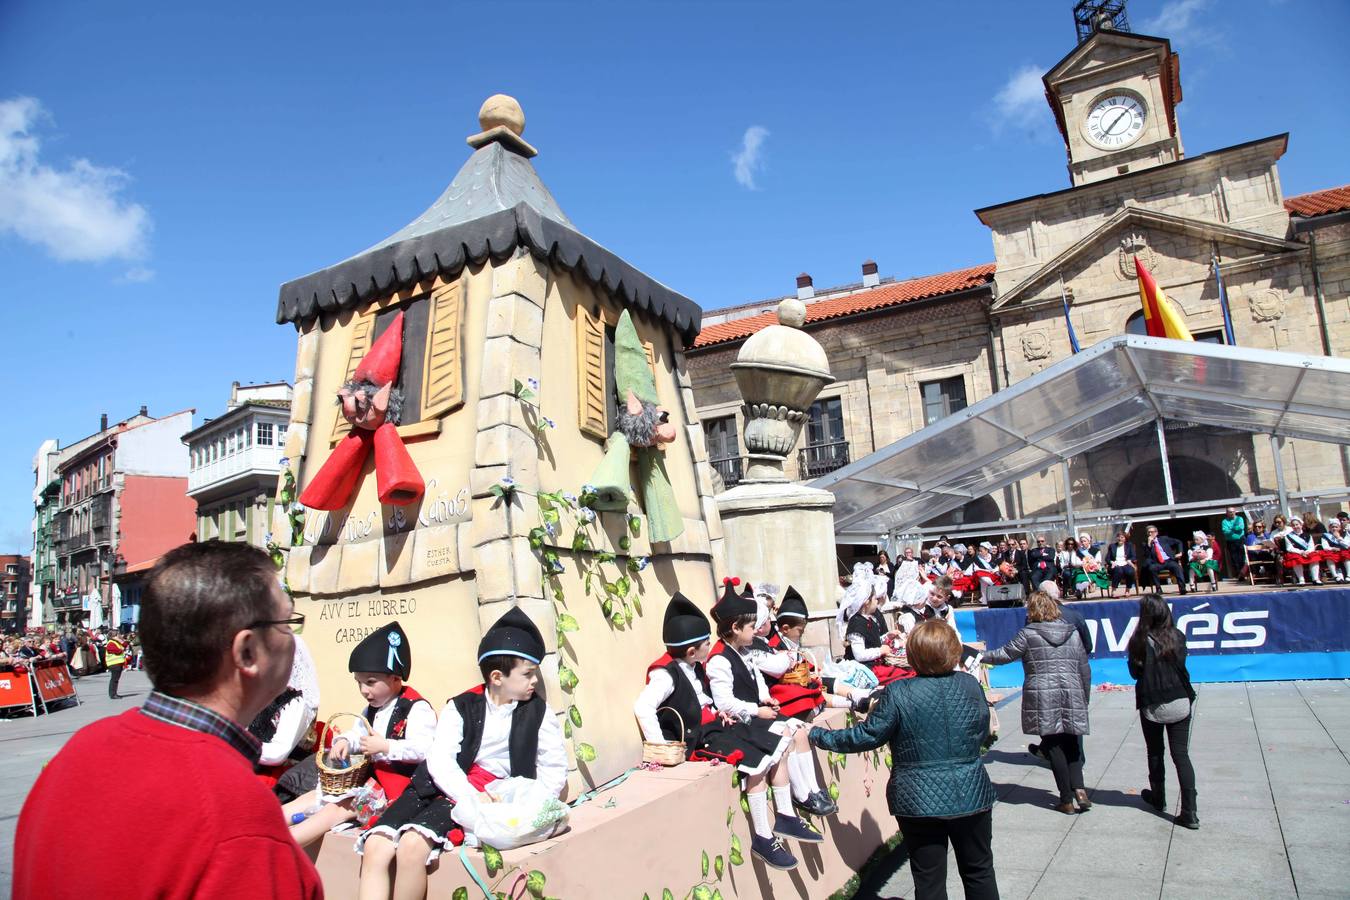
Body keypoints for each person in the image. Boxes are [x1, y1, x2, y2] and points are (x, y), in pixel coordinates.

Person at [15, 541, 322, 899]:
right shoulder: (235, 814)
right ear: (248, 651)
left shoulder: (76, 751)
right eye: (287, 623)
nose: (293, 639)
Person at [354, 608, 567, 898]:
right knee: (376, 845)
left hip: (493, 791)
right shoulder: (462, 706)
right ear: (497, 677)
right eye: (528, 674)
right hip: (442, 783)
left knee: (412, 846)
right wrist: (468, 794)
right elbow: (441, 759)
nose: (534, 682)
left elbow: (552, 767)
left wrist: (529, 807)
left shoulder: (538, 713)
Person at [810, 621, 999, 900]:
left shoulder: (899, 692)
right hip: (969, 790)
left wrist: (818, 736)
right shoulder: (969, 685)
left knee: (929, 878)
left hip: (919, 798)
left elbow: (867, 736)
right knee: (979, 870)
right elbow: (980, 729)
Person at [706, 581, 830, 868]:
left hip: (756, 716)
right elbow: (724, 702)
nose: (758, 631)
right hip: (738, 724)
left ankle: (792, 808)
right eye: (752, 627)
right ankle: (763, 834)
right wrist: (756, 710)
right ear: (736, 627)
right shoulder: (719, 661)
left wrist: (766, 700)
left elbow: (757, 682)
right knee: (762, 764)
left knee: (796, 731)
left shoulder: (744, 650)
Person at [983, 591, 1092, 814]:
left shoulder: (1029, 633)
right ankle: (1080, 790)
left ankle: (1066, 799)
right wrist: (1085, 696)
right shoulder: (1072, 633)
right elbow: (1084, 668)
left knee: (1053, 745)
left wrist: (978, 656)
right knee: (1072, 741)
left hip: (1042, 693)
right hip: (1071, 691)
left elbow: (1004, 654)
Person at [1127, 593, 1198, 829]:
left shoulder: (1139, 639)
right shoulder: (1177, 636)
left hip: (1153, 701)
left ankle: (1159, 797)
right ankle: (1190, 811)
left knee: (1155, 752)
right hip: (1180, 699)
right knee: (1181, 755)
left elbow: (1135, 673)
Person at [837, 563, 908, 685]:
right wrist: (881, 650)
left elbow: (872, 641)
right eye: (875, 599)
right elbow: (859, 654)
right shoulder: (856, 623)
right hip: (864, 668)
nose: (877, 601)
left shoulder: (869, 618)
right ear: (866, 602)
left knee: (904, 673)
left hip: (874, 663)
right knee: (900, 677)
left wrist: (887, 636)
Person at [1142, 525, 1187, 594]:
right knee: (1152, 568)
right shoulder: (1145, 543)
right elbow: (1147, 555)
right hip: (1157, 562)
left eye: (1152, 532)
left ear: (1156, 533)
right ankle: (1158, 589)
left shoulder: (1164, 539)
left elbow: (1178, 542)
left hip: (1169, 560)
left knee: (1177, 567)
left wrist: (1180, 552)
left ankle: (1182, 588)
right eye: (1149, 532)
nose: (1151, 534)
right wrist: (1149, 544)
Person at [1280, 517, 1323, 585]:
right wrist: (1301, 552)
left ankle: (1315, 579)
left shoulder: (1308, 535)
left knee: (1314, 557)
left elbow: (1311, 546)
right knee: (1295, 558)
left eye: (1297, 524)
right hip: (1297, 553)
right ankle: (1301, 579)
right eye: (1293, 525)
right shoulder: (1288, 536)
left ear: (1301, 525)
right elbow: (1289, 548)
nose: (1295, 526)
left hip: (1307, 552)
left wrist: (1307, 552)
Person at [1106, 531, 1138, 597]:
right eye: (1118, 537)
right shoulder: (1112, 546)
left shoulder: (1129, 545)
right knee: (1118, 570)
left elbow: (1134, 556)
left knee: (1130, 571)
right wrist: (1112, 562)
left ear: (1125, 538)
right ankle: (1113, 591)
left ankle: (1127, 590)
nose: (1120, 539)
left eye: (1122, 537)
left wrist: (1129, 560)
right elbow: (1107, 558)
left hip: (1126, 563)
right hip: (1115, 565)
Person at [1220, 507, 1247, 582]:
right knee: (1234, 559)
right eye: (1230, 512)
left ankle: (1244, 573)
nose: (1232, 513)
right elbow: (1225, 531)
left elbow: (1241, 528)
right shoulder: (1224, 521)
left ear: (1235, 512)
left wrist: (1231, 529)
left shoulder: (1240, 519)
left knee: (1242, 558)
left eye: (1233, 511)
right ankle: (1239, 575)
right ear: (1227, 513)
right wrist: (1235, 528)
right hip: (1231, 542)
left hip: (1241, 540)